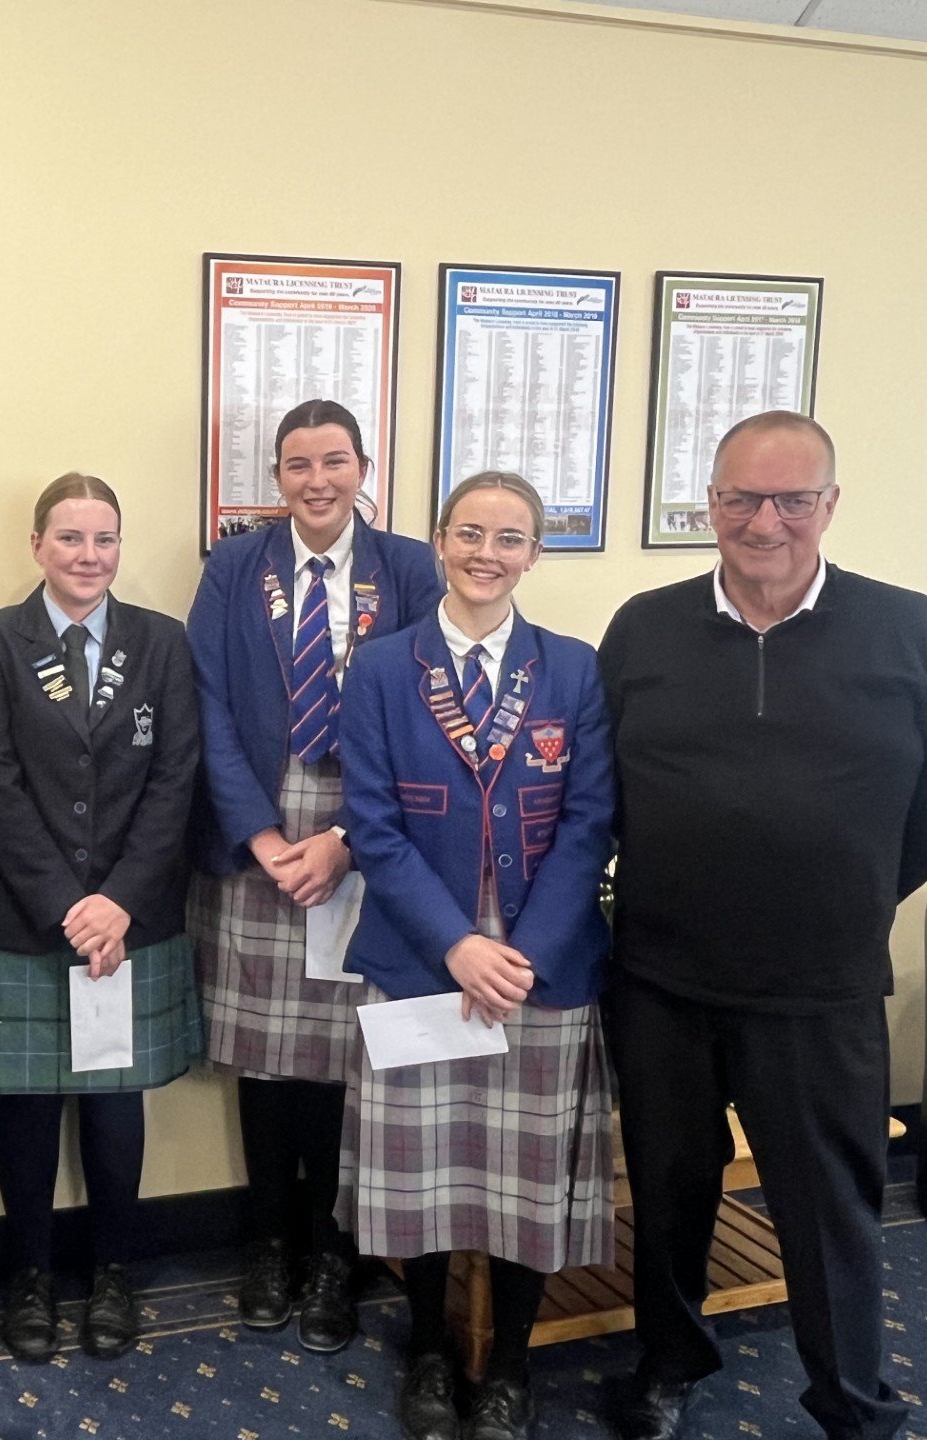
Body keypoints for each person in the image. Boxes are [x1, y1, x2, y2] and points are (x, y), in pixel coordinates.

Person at [597, 412, 927, 1440]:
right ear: (709, 504)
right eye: (739, 499)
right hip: (662, 980)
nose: (763, 521)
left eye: (790, 500)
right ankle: (670, 1360)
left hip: (820, 988)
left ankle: (853, 1402)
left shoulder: (914, 630)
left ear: (829, 505)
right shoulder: (643, 627)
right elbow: (601, 788)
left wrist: (855, 890)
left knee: (828, 1217)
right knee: (670, 1193)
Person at [337, 471, 616, 1440]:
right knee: (423, 1177)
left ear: (534, 554)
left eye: (509, 539)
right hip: (424, 959)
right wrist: (458, 945)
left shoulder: (575, 670)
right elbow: (370, 828)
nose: (486, 554)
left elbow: (590, 825)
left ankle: (507, 1366)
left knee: (525, 1180)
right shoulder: (380, 669)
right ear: (437, 540)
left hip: (539, 972)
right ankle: (425, 1346)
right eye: (469, 534)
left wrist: (522, 956)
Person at [186, 398, 443, 1351]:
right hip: (257, 826)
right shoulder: (235, 566)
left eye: (334, 461)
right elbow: (206, 702)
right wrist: (259, 834)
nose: (317, 480)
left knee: (343, 1058)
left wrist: (344, 839)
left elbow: (428, 708)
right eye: (297, 465)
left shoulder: (410, 567)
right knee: (265, 1059)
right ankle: (268, 1240)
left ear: (364, 467)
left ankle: (336, 1250)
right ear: (277, 479)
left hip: (368, 829)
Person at [0, 472, 204, 1362]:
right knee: (25, 1104)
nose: (88, 556)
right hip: (26, 917)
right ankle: (27, 1273)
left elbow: (176, 780)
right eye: (69, 538)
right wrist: (70, 905)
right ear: (36, 546)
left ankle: (113, 1273)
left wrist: (118, 903)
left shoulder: (161, 642)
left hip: (130, 917)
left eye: (103, 540)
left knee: (112, 1101)